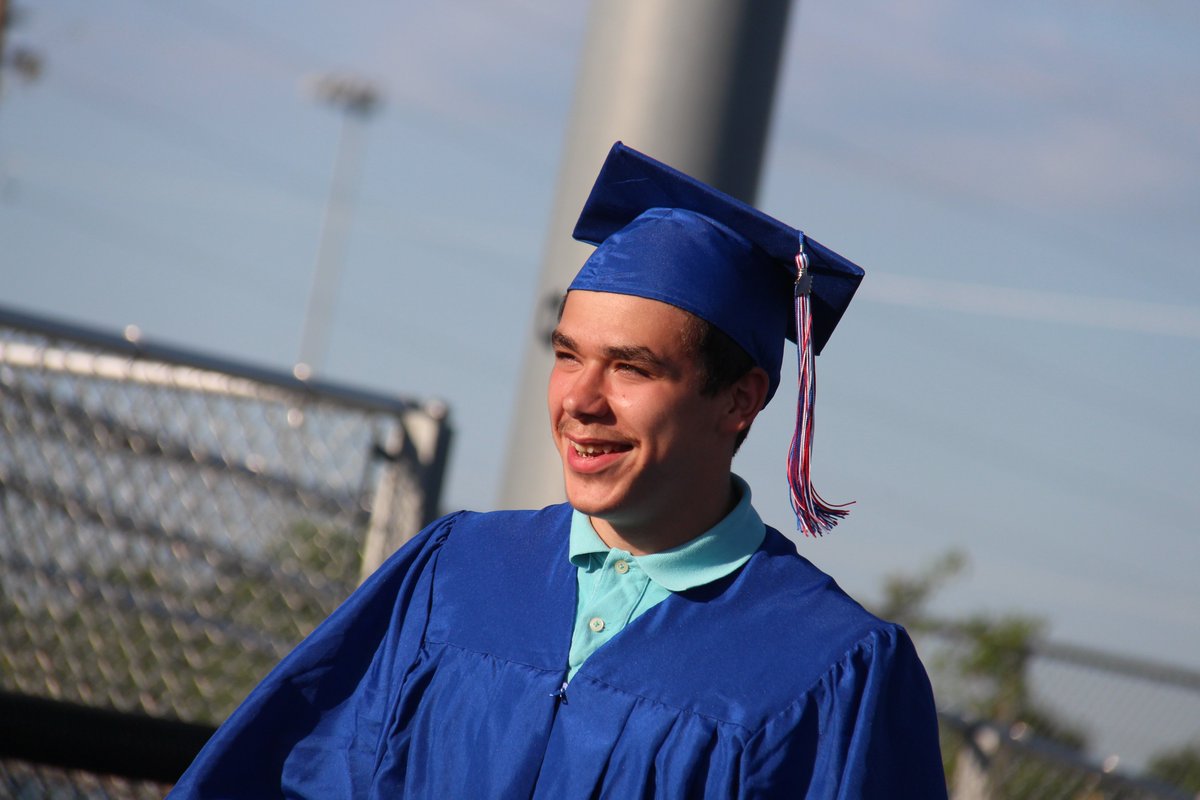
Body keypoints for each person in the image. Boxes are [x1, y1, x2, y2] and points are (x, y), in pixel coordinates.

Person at [168, 142, 947, 798]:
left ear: (739, 400)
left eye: (631, 368)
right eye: (567, 355)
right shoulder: (458, 572)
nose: (579, 399)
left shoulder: (827, 668)